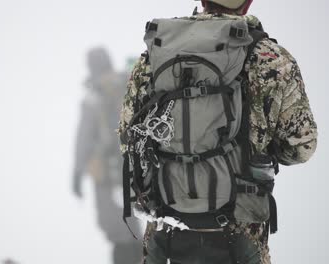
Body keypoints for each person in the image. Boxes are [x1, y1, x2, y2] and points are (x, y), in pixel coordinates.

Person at [117, 1, 318, 263]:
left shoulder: (156, 54)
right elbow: (302, 146)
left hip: (165, 227)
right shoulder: (270, 58)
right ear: (246, 4)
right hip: (240, 228)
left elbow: (127, 137)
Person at [73, 47, 142, 264]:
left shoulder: (93, 97)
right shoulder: (127, 85)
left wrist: (76, 172)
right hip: (132, 167)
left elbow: (84, 137)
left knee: (114, 226)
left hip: (104, 172)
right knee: (133, 222)